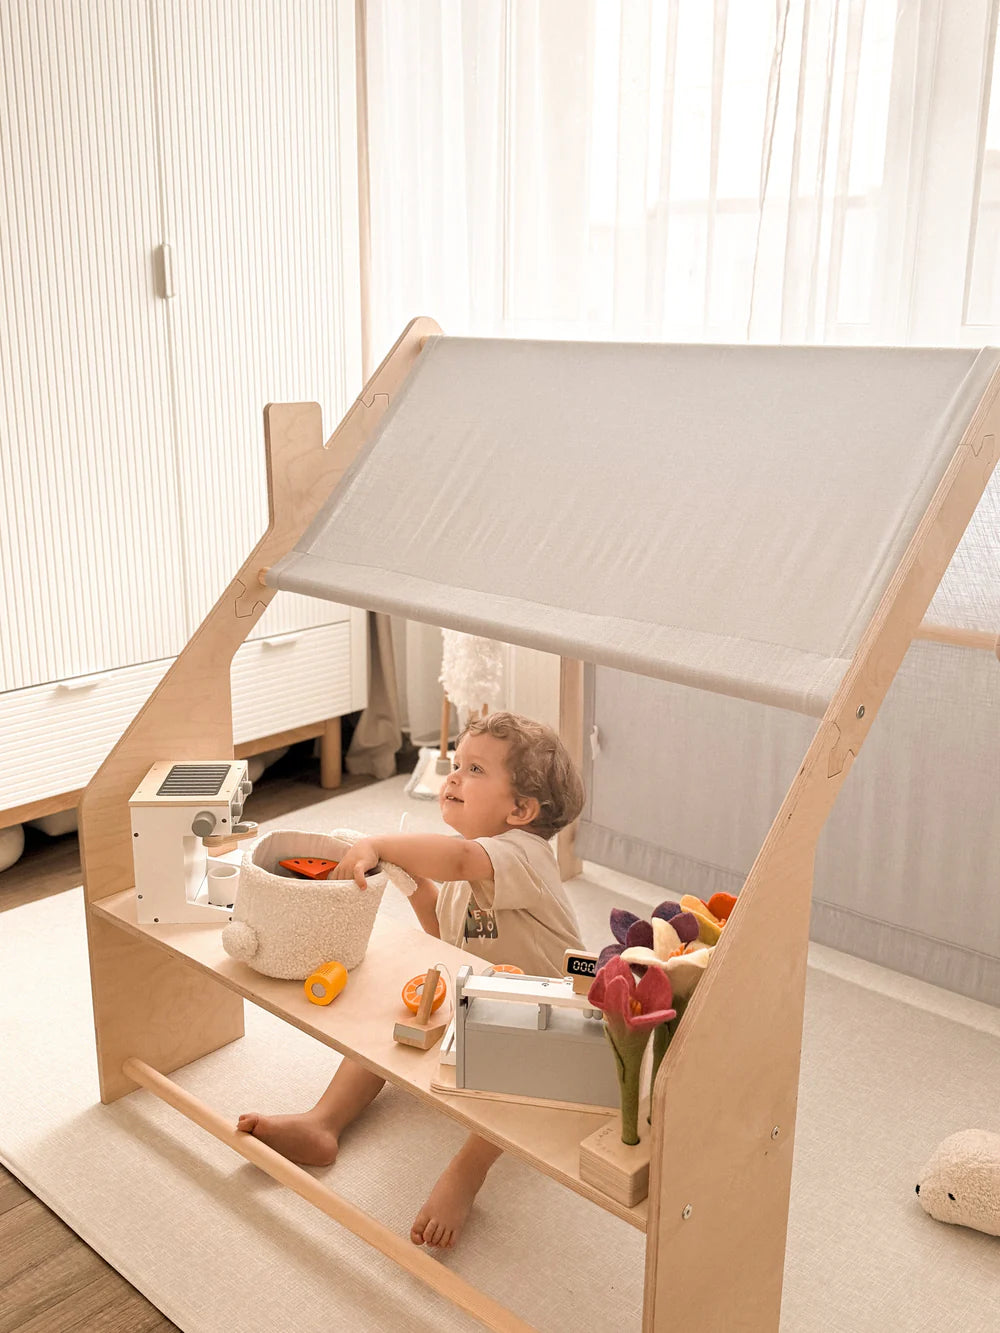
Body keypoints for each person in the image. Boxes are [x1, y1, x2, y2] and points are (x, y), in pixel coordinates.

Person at [237, 710, 586, 1250]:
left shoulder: (523, 856)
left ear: (520, 810)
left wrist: (380, 844)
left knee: (513, 1072)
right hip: (481, 1002)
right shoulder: (462, 876)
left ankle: (468, 1170)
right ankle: (323, 1121)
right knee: (396, 1019)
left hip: (556, 1021)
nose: (452, 776)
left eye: (474, 769)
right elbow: (443, 931)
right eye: (455, 763)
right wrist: (407, 880)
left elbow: (460, 857)